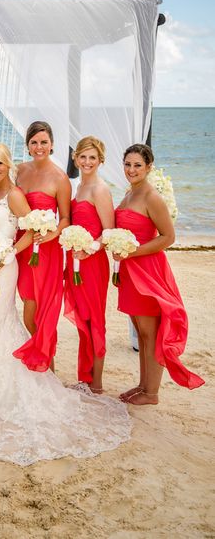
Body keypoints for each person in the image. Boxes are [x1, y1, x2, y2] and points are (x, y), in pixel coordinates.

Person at [0, 143, 132, 465]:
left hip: (3, 267)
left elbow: (33, 229)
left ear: (9, 165)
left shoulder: (15, 195)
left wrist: (5, 253)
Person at [115, 144, 205, 405]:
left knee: (150, 333)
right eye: (128, 164)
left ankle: (152, 393)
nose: (131, 170)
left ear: (149, 167)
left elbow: (168, 237)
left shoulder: (151, 196)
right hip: (130, 270)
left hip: (147, 270)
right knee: (140, 331)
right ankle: (143, 385)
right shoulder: (130, 193)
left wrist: (132, 252)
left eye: (138, 165)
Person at [14, 121, 71, 371]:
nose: (39, 147)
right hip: (22, 244)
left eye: (44, 142)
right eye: (34, 142)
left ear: (52, 145)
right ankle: (42, 359)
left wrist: (52, 235)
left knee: (40, 310)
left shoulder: (60, 177)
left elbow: (66, 217)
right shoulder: (19, 171)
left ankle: (48, 365)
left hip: (47, 248)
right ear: (27, 145)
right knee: (27, 304)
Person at [64, 136, 113, 392]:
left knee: (95, 319)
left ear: (100, 160)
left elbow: (109, 231)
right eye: (83, 156)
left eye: (92, 157)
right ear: (76, 158)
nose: (87, 161)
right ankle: (86, 376)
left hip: (93, 264)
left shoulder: (100, 189)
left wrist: (90, 248)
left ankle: (97, 383)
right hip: (75, 262)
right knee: (84, 318)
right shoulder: (79, 187)